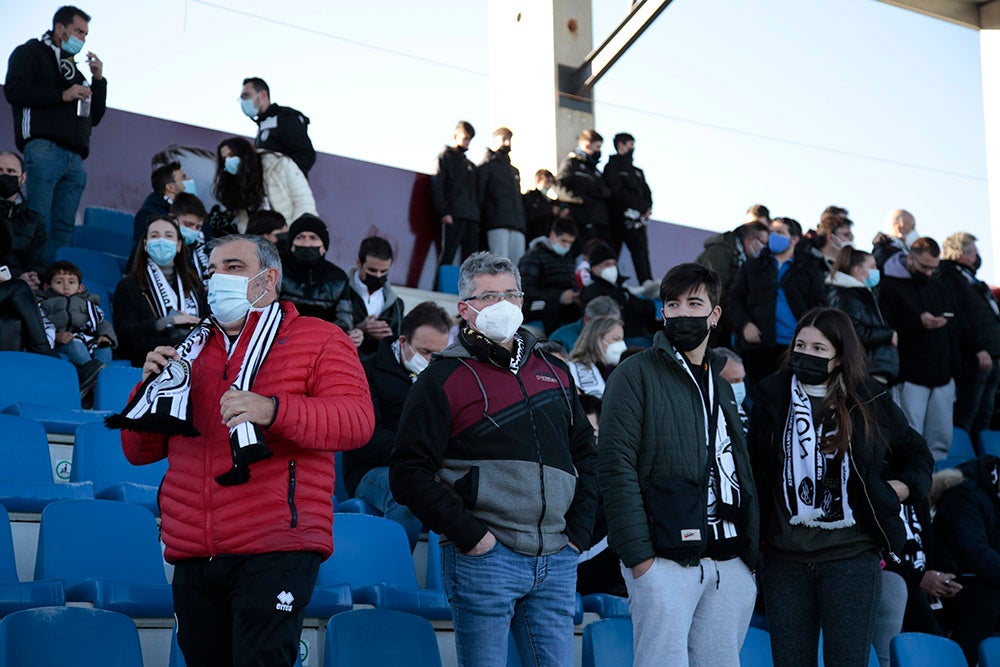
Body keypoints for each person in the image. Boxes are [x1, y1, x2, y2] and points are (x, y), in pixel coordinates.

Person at [117, 234, 374, 667]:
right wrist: (149, 389)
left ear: (268, 278)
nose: (219, 278)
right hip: (195, 548)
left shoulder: (320, 338)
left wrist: (274, 410)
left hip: (274, 543)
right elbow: (139, 451)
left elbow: (356, 421)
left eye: (233, 267)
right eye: (213, 269)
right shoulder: (189, 350)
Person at [390, 251, 597, 667]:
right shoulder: (440, 378)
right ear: (464, 309)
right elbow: (409, 472)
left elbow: (587, 458)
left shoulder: (556, 371)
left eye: (509, 294)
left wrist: (576, 536)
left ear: (522, 301)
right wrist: (473, 537)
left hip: (556, 557)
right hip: (486, 559)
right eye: (487, 296)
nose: (501, 304)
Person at [748, 307, 933, 667]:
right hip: (786, 561)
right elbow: (757, 468)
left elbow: (918, 454)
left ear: (839, 356)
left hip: (851, 558)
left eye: (819, 349)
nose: (806, 354)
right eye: (800, 345)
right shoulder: (771, 399)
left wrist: (903, 488)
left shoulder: (870, 400)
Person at [598, 262, 760, 667]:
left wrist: (747, 560)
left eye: (694, 303)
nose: (683, 313)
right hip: (663, 561)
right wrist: (640, 560)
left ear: (715, 314)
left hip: (729, 561)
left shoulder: (722, 386)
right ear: (662, 311)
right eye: (673, 304)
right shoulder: (634, 373)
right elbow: (615, 465)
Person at [343, 301, 452, 550]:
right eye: (425, 352)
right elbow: (364, 435)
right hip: (371, 470)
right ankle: (392, 575)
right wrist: (416, 455)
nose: (432, 360)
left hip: (425, 468)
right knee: (409, 496)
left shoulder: (441, 378)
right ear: (402, 342)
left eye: (439, 354)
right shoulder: (366, 371)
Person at [4, 5, 107, 260]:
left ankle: (52, 283)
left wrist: (98, 80)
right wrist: (62, 95)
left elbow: (94, 117)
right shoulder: (30, 53)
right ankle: (29, 278)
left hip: (75, 159)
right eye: (78, 31)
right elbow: (14, 91)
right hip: (44, 149)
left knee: (63, 228)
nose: (82, 39)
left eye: (85, 34)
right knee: (37, 219)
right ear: (60, 28)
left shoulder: (77, 72)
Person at [879, 238, 957, 461]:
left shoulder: (938, 284)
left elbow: (954, 328)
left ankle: (937, 488)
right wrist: (917, 322)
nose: (929, 272)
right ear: (910, 258)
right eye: (924, 267)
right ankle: (910, 489)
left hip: (942, 376)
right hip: (909, 376)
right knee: (908, 438)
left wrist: (954, 370)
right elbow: (885, 328)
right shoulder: (889, 285)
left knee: (940, 442)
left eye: (933, 267)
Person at [728, 217, 827, 390]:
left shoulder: (810, 269)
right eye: (772, 232)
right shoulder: (751, 266)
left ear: (795, 239)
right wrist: (744, 324)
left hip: (794, 349)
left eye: (780, 232)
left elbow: (819, 306)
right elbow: (734, 300)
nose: (773, 236)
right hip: (757, 348)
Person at [932, 455, 1000, 664]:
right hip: (952, 586)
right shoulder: (964, 493)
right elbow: (974, 554)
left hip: (984, 581)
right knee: (988, 601)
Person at [113, 216, 207, 367]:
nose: (161, 241)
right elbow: (125, 336)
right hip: (149, 366)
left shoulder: (195, 285)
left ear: (178, 245)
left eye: (168, 236)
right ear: (145, 244)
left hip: (197, 365)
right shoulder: (128, 286)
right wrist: (166, 322)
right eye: (155, 236)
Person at [939, 232, 1000, 446]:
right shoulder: (949, 276)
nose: (978, 255)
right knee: (968, 410)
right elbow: (959, 317)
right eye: (974, 250)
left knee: (986, 412)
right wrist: (977, 348)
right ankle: (964, 457)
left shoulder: (972, 279)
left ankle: (986, 462)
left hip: (993, 352)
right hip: (974, 356)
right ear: (961, 252)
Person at [208, 137, 316, 236]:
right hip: (262, 242)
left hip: (292, 235)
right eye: (224, 159)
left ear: (244, 153)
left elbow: (303, 201)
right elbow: (242, 219)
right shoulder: (234, 184)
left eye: (231, 155)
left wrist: (292, 234)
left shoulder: (279, 164)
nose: (228, 161)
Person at [278, 215, 360, 344]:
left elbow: (344, 322)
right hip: (280, 341)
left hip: (321, 344)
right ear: (291, 245)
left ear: (324, 247)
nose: (306, 243)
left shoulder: (338, 278)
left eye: (313, 238)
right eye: (300, 237)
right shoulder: (277, 271)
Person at [826, 246, 899, 385]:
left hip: (870, 371)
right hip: (864, 372)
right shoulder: (847, 296)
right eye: (872, 266)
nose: (877, 270)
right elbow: (854, 332)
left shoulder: (862, 293)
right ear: (858, 270)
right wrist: (888, 334)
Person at [37, 259, 115, 385]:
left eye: (71, 282)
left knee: (105, 349)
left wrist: (105, 336)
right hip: (64, 343)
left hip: (88, 341)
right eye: (59, 282)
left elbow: (102, 323)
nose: (66, 286)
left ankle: (98, 383)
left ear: (80, 287)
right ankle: (93, 380)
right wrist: (55, 336)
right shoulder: (44, 304)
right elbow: (38, 325)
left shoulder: (88, 304)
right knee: (76, 345)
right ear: (47, 286)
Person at [696, 220, 770, 348]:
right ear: (752, 239)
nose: (765, 248)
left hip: (719, 323)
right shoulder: (721, 251)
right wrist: (739, 321)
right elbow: (715, 291)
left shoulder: (743, 258)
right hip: (706, 322)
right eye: (764, 243)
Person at [579, 240, 659, 346]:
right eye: (607, 264)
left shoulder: (621, 289)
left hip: (641, 334)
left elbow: (642, 307)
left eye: (613, 264)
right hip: (622, 339)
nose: (611, 268)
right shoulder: (591, 291)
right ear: (594, 268)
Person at [240, 77, 316, 177]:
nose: (243, 101)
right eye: (241, 98)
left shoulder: (285, 118)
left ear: (263, 94)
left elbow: (305, 155)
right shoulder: (263, 124)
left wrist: (280, 177)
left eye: (246, 95)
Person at [604, 132, 653, 285]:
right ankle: (612, 282)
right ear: (621, 145)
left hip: (638, 221)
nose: (633, 148)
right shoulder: (611, 167)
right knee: (613, 252)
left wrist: (647, 208)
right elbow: (618, 192)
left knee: (641, 252)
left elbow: (647, 191)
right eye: (630, 144)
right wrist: (639, 206)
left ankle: (647, 283)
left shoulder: (637, 171)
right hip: (618, 219)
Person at [431, 121, 480, 276]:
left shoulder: (471, 165)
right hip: (453, 215)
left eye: (469, 139)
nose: (467, 142)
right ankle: (438, 288)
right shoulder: (444, 157)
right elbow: (438, 185)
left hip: (471, 217)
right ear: (455, 136)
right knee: (448, 254)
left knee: (471, 259)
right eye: (465, 138)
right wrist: (443, 211)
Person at [344, 236, 405, 357]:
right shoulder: (340, 291)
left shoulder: (396, 305)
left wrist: (389, 339)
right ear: (358, 263)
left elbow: (400, 347)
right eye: (372, 270)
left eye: (383, 271)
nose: (378, 275)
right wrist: (358, 328)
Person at [518, 218, 579, 334]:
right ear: (552, 235)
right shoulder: (533, 255)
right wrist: (559, 296)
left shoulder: (568, 258)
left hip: (564, 308)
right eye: (564, 241)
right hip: (537, 307)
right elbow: (525, 289)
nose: (566, 246)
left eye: (570, 242)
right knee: (551, 306)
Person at [477, 127, 527, 265]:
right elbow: (480, 194)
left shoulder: (513, 171)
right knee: (499, 263)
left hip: (517, 223)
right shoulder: (486, 166)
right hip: (496, 221)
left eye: (509, 139)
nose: (507, 143)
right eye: (504, 139)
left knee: (517, 265)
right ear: (494, 141)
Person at [557, 129, 612, 247]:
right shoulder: (572, 163)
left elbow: (607, 191)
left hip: (600, 223)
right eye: (597, 147)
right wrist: (579, 199)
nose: (599, 151)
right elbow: (559, 186)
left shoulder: (595, 170)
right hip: (582, 221)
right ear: (587, 145)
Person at [0, 151, 46, 289]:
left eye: (11, 171)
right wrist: (15, 278)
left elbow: (36, 263)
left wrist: (34, 278)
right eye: (0, 170)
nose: (5, 175)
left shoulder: (34, 220)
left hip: (21, 292)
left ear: (23, 178)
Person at [133, 161, 194, 244]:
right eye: (183, 177)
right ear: (170, 187)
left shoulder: (189, 207)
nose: (189, 180)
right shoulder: (147, 216)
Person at [567, 315, 625, 399]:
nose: (621, 344)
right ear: (596, 339)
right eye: (616, 339)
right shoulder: (573, 368)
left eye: (622, 339)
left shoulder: (621, 369)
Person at [549, 295, 621, 354]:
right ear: (587, 319)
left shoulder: (616, 337)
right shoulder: (560, 338)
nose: (609, 330)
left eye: (613, 325)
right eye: (603, 325)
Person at [170, 193, 209, 286]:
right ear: (172, 218)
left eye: (198, 227)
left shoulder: (200, 245)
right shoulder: (162, 248)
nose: (193, 230)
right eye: (188, 225)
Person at [522, 168, 565, 241]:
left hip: (548, 237)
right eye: (547, 182)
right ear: (538, 181)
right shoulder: (530, 197)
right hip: (534, 235)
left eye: (551, 183)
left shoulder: (550, 201)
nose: (549, 186)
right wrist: (549, 209)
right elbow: (530, 213)